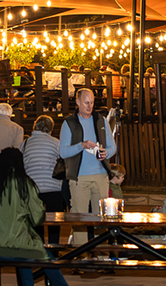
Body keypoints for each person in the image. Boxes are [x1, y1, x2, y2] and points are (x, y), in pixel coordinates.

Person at [0, 147, 69, 286]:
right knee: (43, 256)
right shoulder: (24, 184)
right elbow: (37, 218)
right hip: (16, 245)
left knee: (25, 251)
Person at [58, 88, 116, 237]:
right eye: (85, 102)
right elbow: (63, 152)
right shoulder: (69, 123)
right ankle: (80, 255)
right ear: (77, 102)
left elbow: (113, 146)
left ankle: (100, 254)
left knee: (101, 218)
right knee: (79, 219)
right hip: (79, 177)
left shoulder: (101, 120)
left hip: (101, 175)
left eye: (91, 102)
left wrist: (106, 153)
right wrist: (82, 145)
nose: (89, 106)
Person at [22, 115, 67, 213]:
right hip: (53, 186)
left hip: (32, 187)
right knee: (55, 219)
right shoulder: (56, 143)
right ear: (50, 130)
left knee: (36, 220)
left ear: (35, 127)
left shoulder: (25, 143)